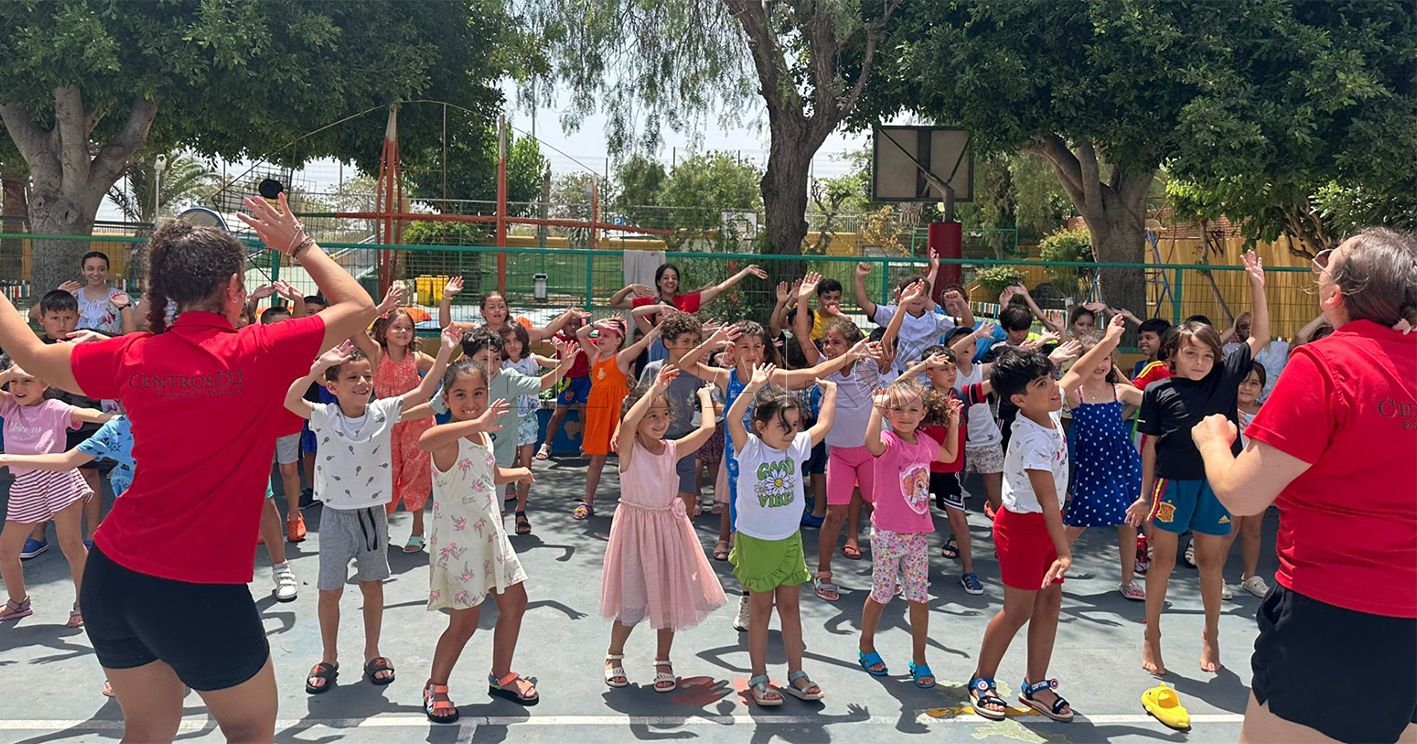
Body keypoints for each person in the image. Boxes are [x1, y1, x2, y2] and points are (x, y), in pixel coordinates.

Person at [0, 196, 376, 742]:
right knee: (249, 730)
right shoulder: (258, 349)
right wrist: (299, 244)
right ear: (233, 291)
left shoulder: (131, 355)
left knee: (148, 729)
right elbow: (359, 305)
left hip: (112, 579)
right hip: (199, 590)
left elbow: (30, 354)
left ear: (165, 293)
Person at [1191, 228, 1416, 744]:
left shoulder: (1325, 365)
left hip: (1330, 614)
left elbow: (1243, 495)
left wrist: (1212, 441)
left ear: (1334, 295)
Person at [284, 327, 456, 696]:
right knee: (329, 591)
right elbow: (289, 399)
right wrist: (319, 367)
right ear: (333, 386)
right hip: (334, 518)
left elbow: (424, 391)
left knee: (372, 586)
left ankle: (372, 653)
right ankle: (328, 658)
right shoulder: (323, 415)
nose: (362, 382)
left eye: (366, 376)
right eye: (352, 377)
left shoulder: (382, 411)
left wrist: (444, 351)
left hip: (372, 517)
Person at [1125, 250, 1270, 677]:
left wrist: (1257, 283)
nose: (1200, 362)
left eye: (1207, 355)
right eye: (1191, 354)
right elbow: (1149, 448)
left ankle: (1212, 633)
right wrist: (1143, 496)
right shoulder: (1158, 392)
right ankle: (1152, 635)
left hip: (1218, 484)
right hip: (1173, 485)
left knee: (1211, 562)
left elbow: (1259, 334)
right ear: (1174, 354)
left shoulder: (1227, 378)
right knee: (1162, 561)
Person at [966, 343, 1103, 723]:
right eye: (1043, 383)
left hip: (1047, 526)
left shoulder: (1049, 408)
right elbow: (1046, 501)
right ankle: (981, 679)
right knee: (1018, 610)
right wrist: (1064, 552)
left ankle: (1036, 685)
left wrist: (1107, 340)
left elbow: (1077, 372)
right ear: (1019, 399)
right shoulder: (1031, 439)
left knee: (1049, 604)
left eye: (1052, 378)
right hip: (1025, 528)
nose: (1056, 387)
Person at [419, 361, 538, 722]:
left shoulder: (483, 435)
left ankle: (501, 676)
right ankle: (435, 685)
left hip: (490, 536)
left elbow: (487, 472)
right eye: (460, 394)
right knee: (464, 623)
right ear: (447, 399)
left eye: (478, 394)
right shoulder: (448, 435)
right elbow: (426, 440)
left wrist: (519, 472)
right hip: (460, 545)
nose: (470, 401)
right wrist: (477, 422)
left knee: (516, 602)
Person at [600, 367, 725, 692]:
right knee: (631, 600)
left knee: (667, 599)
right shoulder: (628, 450)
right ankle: (614, 654)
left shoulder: (672, 449)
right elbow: (627, 424)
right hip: (635, 533)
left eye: (665, 414)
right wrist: (653, 387)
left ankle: (663, 659)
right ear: (637, 419)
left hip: (668, 532)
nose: (659, 421)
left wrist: (704, 397)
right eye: (651, 415)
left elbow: (709, 428)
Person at [794, 272, 912, 601]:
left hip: (874, 453)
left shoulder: (867, 365)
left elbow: (887, 340)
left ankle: (888, 573)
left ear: (849, 344)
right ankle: (824, 571)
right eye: (827, 343)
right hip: (841, 455)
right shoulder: (823, 367)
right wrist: (803, 299)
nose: (828, 348)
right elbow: (804, 339)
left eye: (835, 343)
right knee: (834, 513)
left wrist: (901, 306)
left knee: (882, 512)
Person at [727, 364, 836, 706]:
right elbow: (732, 419)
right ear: (760, 427)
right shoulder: (750, 449)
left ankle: (796, 674)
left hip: (789, 541)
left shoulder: (797, 447)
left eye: (794, 424)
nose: (791, 431)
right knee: (760, 611)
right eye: (781, 425)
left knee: (790, 609)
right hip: (757, 542)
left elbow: (825, 424)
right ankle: (759, 678)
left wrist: (830, 393)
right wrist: (754, 386)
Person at [856, 379, 960, 689]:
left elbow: (950, 455)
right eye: (897, 409)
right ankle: (866, 646)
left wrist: (953, 422)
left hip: (917, 534)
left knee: (919, 597)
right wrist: (875, 409)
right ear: (887, 412)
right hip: (887, 532)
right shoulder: (888, 441)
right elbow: (870, 444)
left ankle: (920, 658)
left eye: (913, 409)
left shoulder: (925, 442)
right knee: (883, 593)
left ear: (924, 413)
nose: (905, 415)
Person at [0, 360, 109, 626]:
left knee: (71, 545)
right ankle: (18, 602)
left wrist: (115, 418)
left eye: (27, 380)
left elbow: (89, 415)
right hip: (25, 485)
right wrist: (8, 372)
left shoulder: (55, 408)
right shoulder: (9, 407)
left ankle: (83, 603)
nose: (18, 387)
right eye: (14, 381)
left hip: (59, 481)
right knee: (6, 550)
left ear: (44, 383)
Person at [1061, 317, 1147, 600]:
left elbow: (1152, 400)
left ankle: (1128, 580)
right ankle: (1045, 565)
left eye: (1107, 358)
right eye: (1094, 358)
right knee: (1077, 523)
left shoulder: (1119, 391)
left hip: (1123, 464)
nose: (1100, 365)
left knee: (1128, 522)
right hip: (1093, 468)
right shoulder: (1075, 394)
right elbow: (1068, 377)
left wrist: (1119, 374)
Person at [461, 329, 577, 532]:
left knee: (494, 511)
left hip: (499, 456)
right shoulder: (460, 380)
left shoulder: (508, 379)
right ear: (468, 359)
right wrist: (400, 411)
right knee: (468, 511)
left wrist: (565, 366)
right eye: (484, 359)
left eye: (496, 359)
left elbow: (541, 384)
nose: (491, 365)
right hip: (466, 458)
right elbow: (434, 406)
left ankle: (499, 543)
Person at [903, 344, 992, 594]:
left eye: (953, 368)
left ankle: (968, 571)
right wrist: (921, 366)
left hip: (951, 472)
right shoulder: (918, 398)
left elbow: (997, 381)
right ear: (929, 372)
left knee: (959, 522)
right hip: (920, 470)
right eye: (943, 368)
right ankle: (912, 569)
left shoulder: (963, 395)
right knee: (914, 522)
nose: (951, 373)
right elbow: (896, 384)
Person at [573, 317, 661, 519]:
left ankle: (635, 502)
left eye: (606, 335)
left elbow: (642, 342)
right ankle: (588, 502)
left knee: (628, 458)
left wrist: (660, 327)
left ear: (618, 340)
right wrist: (597, 323)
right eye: (599, 335)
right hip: (598, 412)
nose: (599, 338)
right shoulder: (594, 356)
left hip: (618, 413)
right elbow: (580, 334)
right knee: (597, 459)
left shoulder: (621, 358)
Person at [370, 305, 439, 552]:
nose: (403, 332)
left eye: (408, 328)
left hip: (416, 423)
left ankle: (418, 530)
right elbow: (357, 332)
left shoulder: (416, 358)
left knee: (416, 475)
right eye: (397, 327)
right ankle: (382, 528)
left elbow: (444, 370)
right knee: (384, 474)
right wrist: (380, 307)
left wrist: (439, 401)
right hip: (386, 424)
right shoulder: (376, 354)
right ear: (384, 330)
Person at [635, 311, 708, 517]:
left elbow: (706, 401)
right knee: (655, 497)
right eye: (685, 341)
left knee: (687, 497)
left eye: (695, 342)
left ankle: (684, 541)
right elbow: (637, 404)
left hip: (684, 440)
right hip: (655, 441)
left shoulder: (698, 372)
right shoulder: (653, 370)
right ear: (668, 343)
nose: (691, 346)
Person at [853, 260, 973, 374]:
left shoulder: (935, 320)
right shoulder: (892, 313)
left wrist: (961, 302)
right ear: (902, 295)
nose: (917, 298)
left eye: (921, 294)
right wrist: (859, 278)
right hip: (897, 376)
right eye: (912, 293)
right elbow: (864, 303)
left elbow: (968, 323)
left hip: (927, 377)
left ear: (927, 298)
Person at [1219, 362, 1269, 599]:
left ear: (1261, 388)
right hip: (1233, 474)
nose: (1247, 388)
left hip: (1259, 478)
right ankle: (1215, 575)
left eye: (1254, 383)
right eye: (1243, 381)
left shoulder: (1268, 411)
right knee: (1230, 527)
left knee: (1254, 528)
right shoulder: (1223, 410)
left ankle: (1249, 576)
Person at [28, 251, 137, 336]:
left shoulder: (119, 297)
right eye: (90, 269)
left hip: (109, 351)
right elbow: (33, 314)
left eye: (101, 269)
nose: (96, 273)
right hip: (76, 350)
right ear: (83, 271)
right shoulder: (72, 295)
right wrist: (57, 295)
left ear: (107, 271)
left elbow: (135, 327)